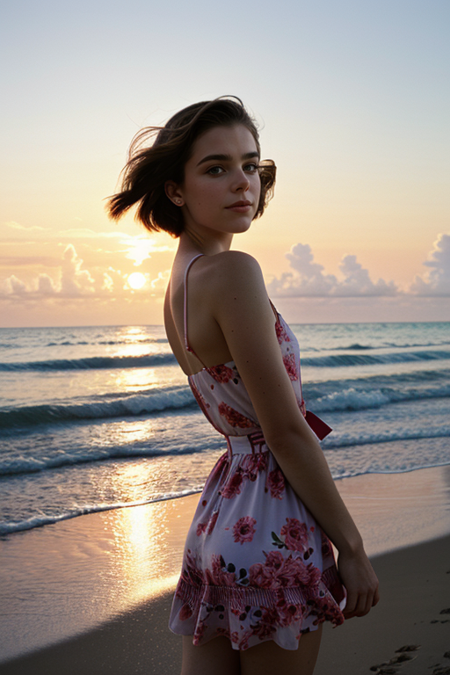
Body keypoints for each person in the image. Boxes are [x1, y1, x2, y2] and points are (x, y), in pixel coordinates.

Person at [108, 96, 379, 675]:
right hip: (273, 522)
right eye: (216, 168)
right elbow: (283, 430)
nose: (242, 183)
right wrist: (352, 549)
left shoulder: (180, 284)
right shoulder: (232, 271)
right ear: (175, 190)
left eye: (250, 166)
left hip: (218, 520)